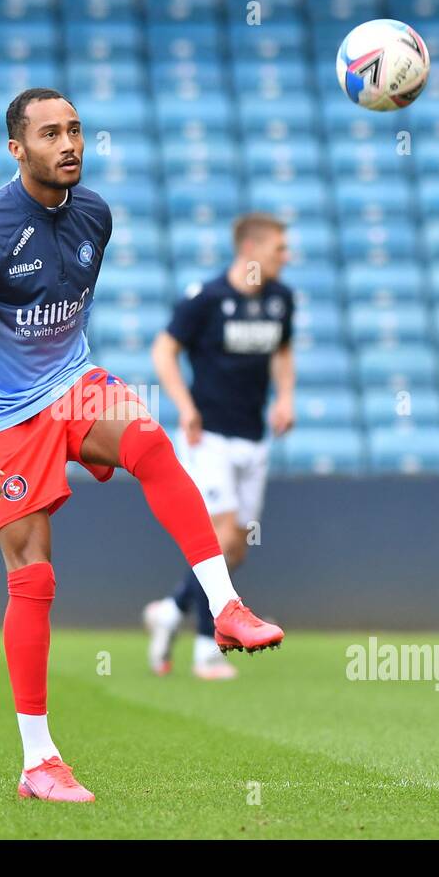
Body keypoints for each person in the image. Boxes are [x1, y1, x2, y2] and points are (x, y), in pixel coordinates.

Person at [0, 89, 284, 803]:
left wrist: (87, 429)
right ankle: (38, 761)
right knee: (35, 577)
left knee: (152, 445)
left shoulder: (95, 215)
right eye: (50, 134)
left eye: (75, 129)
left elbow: (59, 319)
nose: (69, 143)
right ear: (17, 149)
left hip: (73, 384)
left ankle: (225, 606)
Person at [144, 214, 297, 680]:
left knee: (237, 548)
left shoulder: (279, 300)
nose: (285, 257)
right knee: (223, 536)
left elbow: (283, 350)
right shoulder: (207, 299)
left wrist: (285, 396)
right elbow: (163, 350)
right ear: (250, 249)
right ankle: (208, 648)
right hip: (207, 436)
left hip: (254, 438)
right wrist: (185, 405)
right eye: (278, 249)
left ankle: (170, 610)